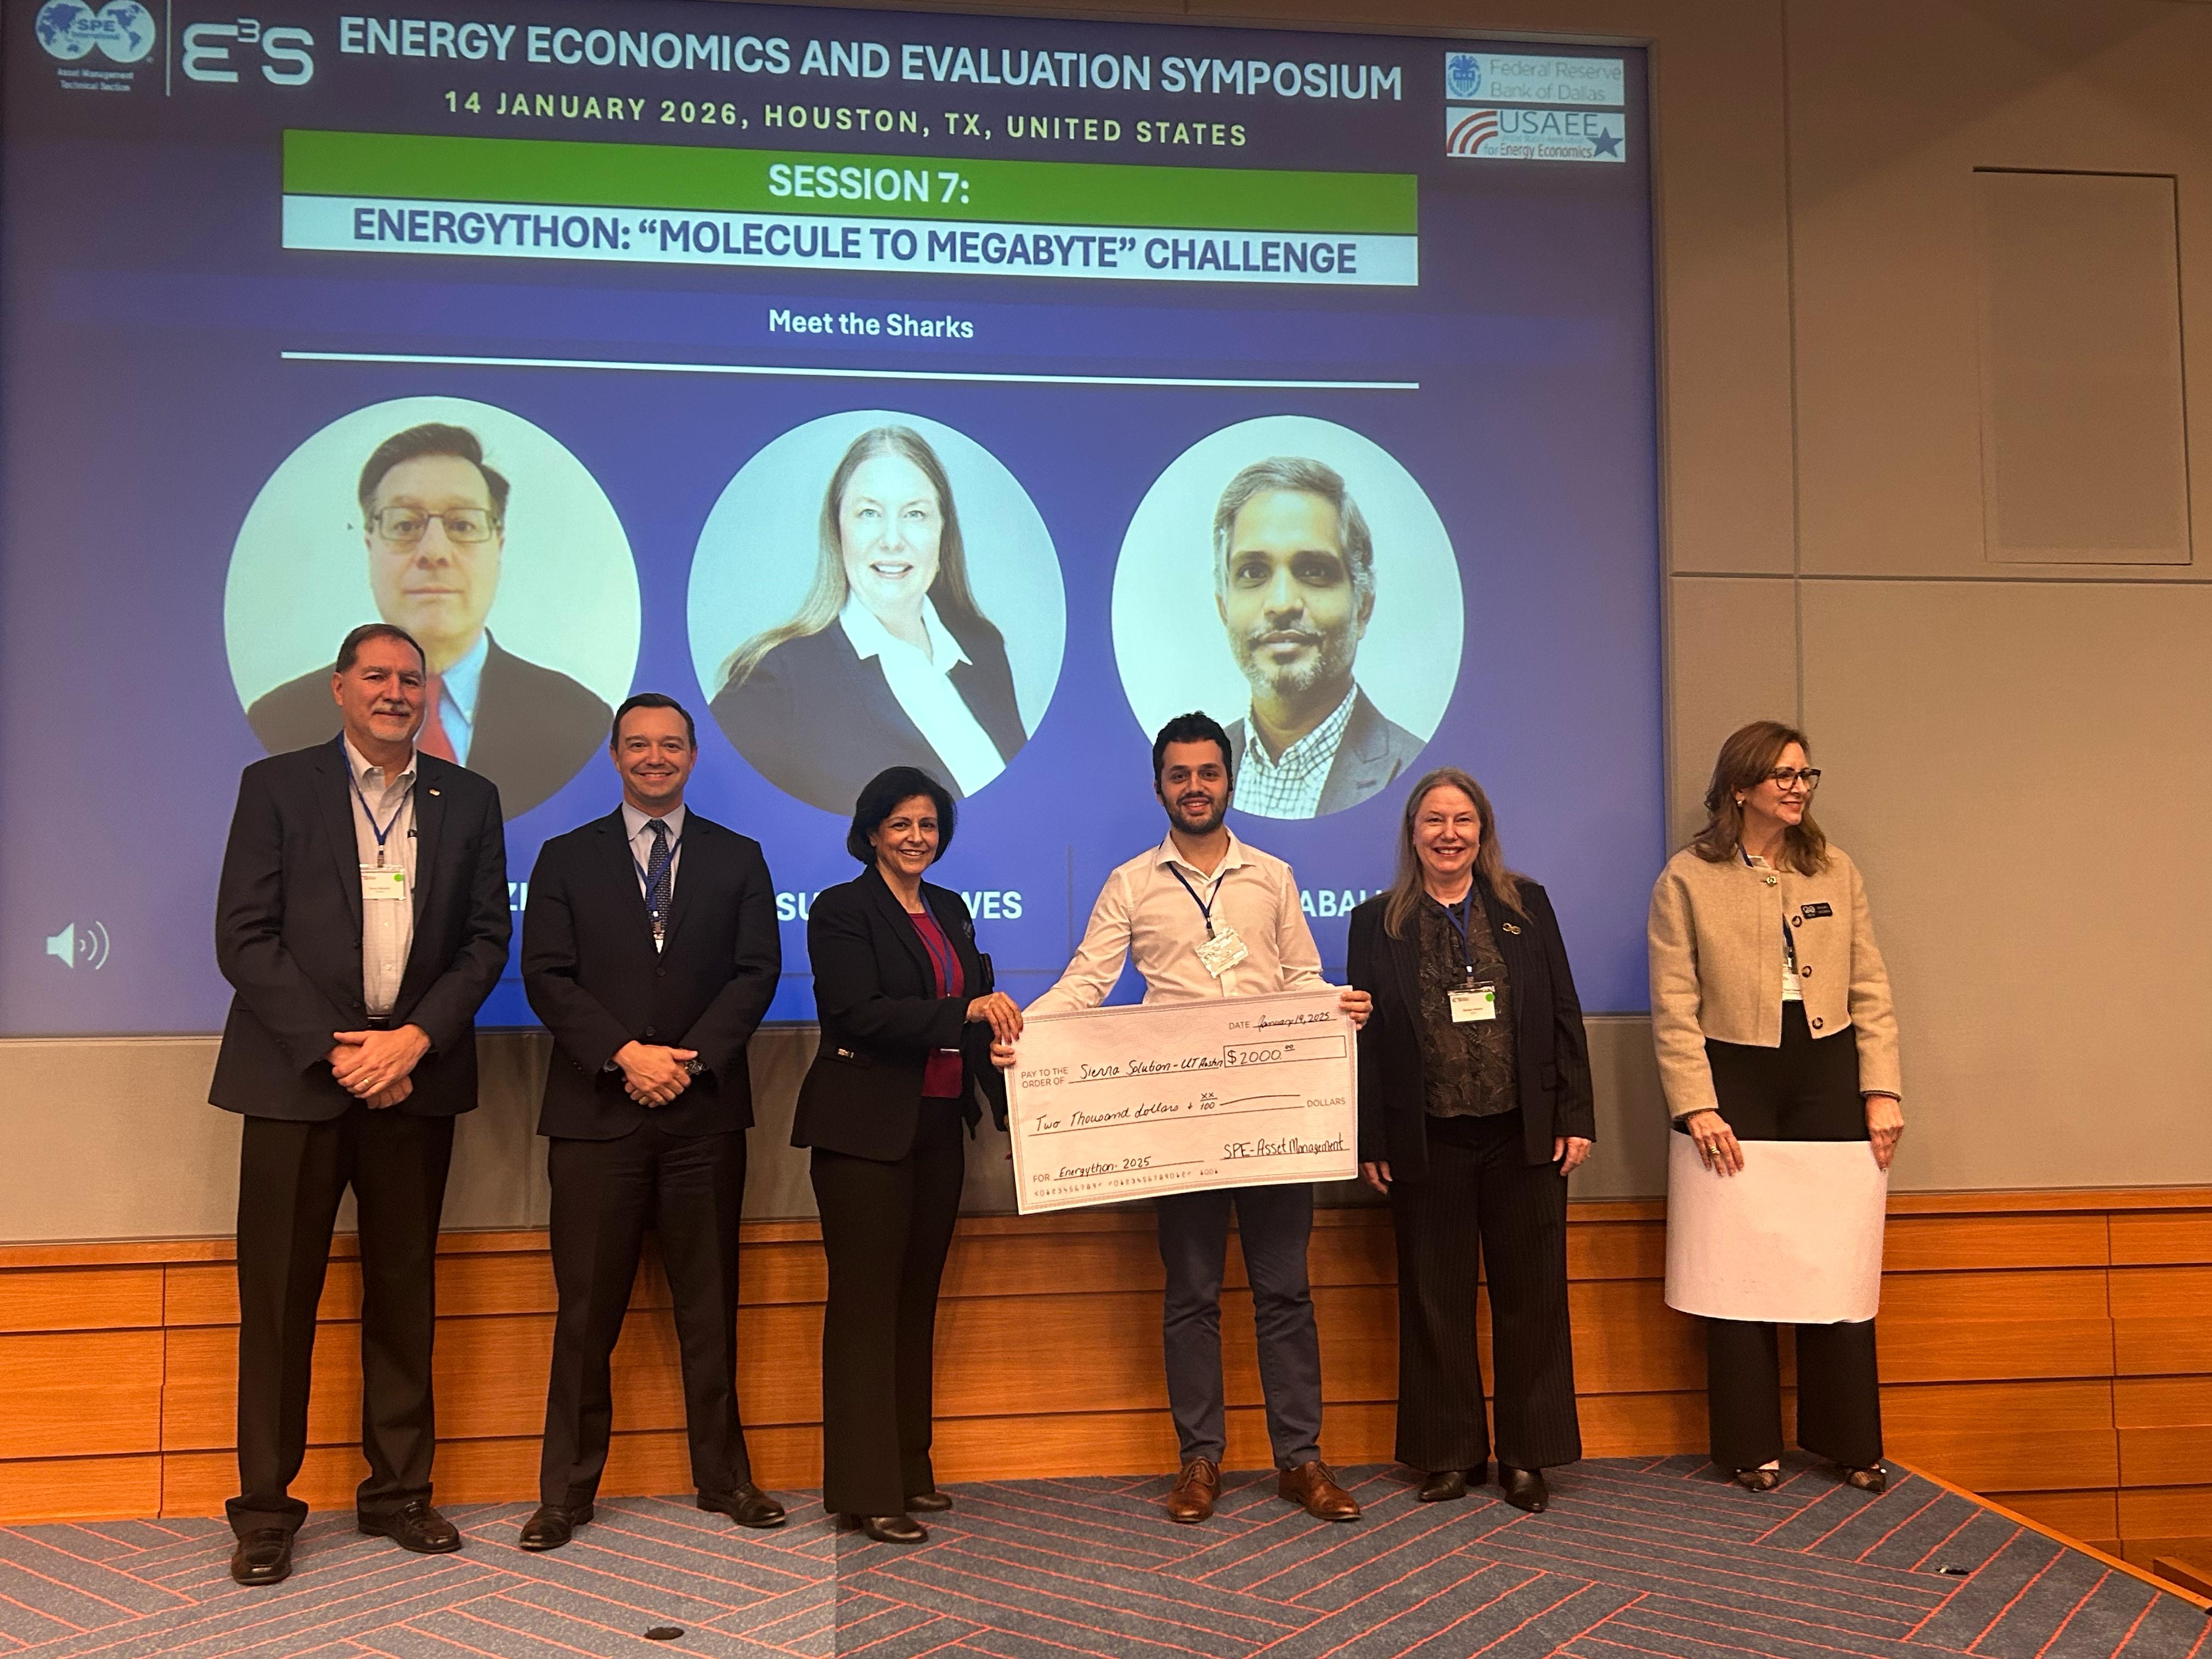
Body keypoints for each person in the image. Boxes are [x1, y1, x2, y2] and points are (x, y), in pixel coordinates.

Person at [211, 622, 510, 1587]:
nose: (395, 692)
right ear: (338, 688)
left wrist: (412, 1039)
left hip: (414, 1079)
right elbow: (244, 936)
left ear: (429, 694)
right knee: (278, 1300)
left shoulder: (468, 798)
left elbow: (484, 941)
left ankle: (399, 1493)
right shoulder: (276, 787)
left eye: (411, 679)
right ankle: (265, 1510)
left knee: (404, 1292)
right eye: (376, 676)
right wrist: (340, 1050)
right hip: (298, 1078)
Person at [1028, 713, 1373, 1525]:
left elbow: (1301, 976)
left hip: (1273, 1117)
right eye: (1179, 775)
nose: (1195, 787)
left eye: (1208, 773)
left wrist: (1336, 1005)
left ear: (1229, 780)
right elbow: (1087, 983)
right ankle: (1200, 1461)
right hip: (1180, 1129)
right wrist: (1027, 1034)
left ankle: (1301, 1460)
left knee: (1285, 1291)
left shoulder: (1273, 877)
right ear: (1160, 788)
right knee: (1191, 1295)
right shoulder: (1130, 884)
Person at [517, 692, 785, 1550]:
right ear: (615, 755)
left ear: (693, 757)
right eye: (639, 744)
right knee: (585, 1316)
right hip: (597, 1115)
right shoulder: (565, 857)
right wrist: (626, 1055)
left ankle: (726, 1479)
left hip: (703, 1116)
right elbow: (547, 975)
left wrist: (687, 1063)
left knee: (711, 1309)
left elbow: (756, 973)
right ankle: (564, 1496)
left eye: (671, 744)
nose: (655, 757)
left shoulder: (739, 857)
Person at [1647, 720, 1905, 1492]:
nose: (1799, 788)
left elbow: (1870, 986)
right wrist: (1697, 1106)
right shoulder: (1687, 878)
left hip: (1827, 1067)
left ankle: (1846, 1441)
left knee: (1834, 1257)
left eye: (1805, 775)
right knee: (1738, 1265)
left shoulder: (1835, 869)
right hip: (1734, 1075)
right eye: (1783, 775)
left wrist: (1881, 1088)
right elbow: (1674, 1006)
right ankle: (1748, 1444)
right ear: (1740, 788)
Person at [1346, 768, 1594, 1514]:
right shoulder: (1377, 922)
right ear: (1413, 833)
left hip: (1524, 1134)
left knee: (1533, 1298)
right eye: (1434, 820)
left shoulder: (1526, 908)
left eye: (1462, 820)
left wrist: (1575, 1116)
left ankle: (1526, 1456)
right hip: (1428, 1138)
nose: (1448, 834)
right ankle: (1448, 1454)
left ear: (1482, 831)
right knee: (1435, 1299)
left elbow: (1563, 1012)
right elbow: (1369, 1043)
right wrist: (1373, 1137)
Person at [792, 766, 1019, 1544]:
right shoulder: (841, 910)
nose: (916, 837)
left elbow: (973, 1019)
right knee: (866, 1307)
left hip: (936, 1126)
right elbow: (859, 1012)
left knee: (915, 1301)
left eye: (928, 825)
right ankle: (865, 1490)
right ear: (871, 833)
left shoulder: (950, 909)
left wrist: (1007, 1068)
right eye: (901, 824)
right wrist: (965, 1012)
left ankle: (908, 1469)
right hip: (863, 1132)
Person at [247, 422, 612, 817]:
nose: (434, 551)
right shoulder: (280, 722)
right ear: (370, 545)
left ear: (499, 546)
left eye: (462, 525)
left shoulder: (581, 725)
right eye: (405, 525)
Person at [709, 426, 1029, 813]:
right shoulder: (777, 679)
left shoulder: (983, 649)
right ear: (838, 530)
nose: (892, 540)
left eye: (915, 514)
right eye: (869, 513)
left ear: (942, 531)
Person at [1211, 458, 1424, 819]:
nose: (1282, 604)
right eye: (1253, 572)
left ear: (1363, 606)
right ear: (1224, 607)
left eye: (1314, 571)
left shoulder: (1419, 774)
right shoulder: (1194, 769)